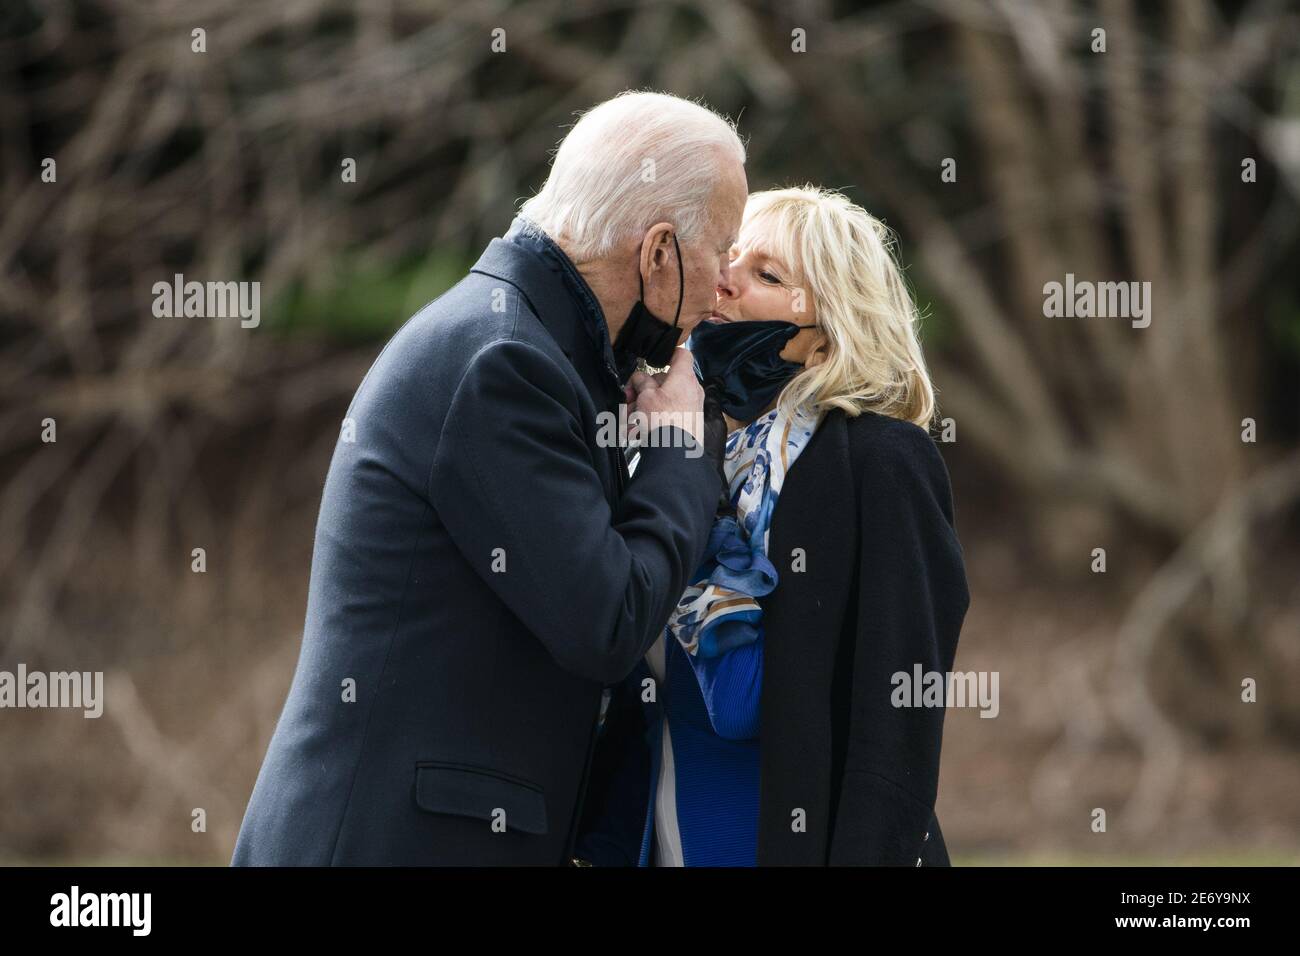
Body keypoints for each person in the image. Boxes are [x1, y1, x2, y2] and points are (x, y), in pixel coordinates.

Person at [231, 91, 747, 865]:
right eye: (723, 252)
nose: (720, 292)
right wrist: (678, 446)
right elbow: (607, 620)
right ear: (659, 252)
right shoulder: (503, 362)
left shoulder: (532, 349)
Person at [574, 185, 970, 866]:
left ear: (821, 342)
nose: (725, 280)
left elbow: (892, 726)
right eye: (729, 258)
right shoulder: (658, 461)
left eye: (767, 275)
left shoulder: (878, 463)